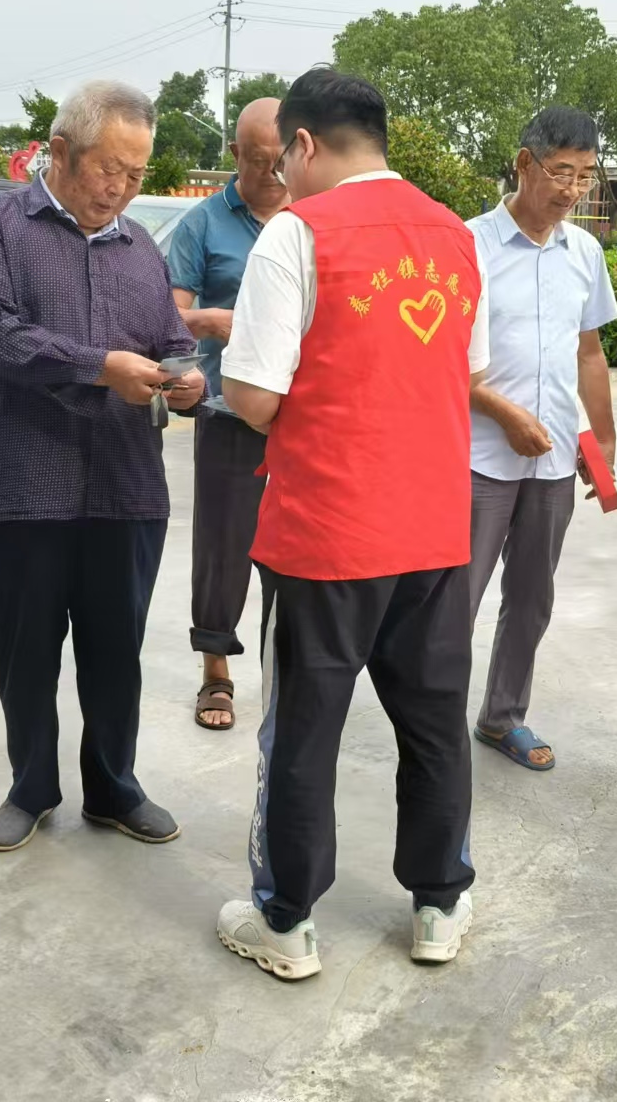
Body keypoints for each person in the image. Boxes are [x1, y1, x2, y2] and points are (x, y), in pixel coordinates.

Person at [213, 68, 489, 981]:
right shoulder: (455, 235)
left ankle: (286, 920)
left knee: (302, 731)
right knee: (435, 723)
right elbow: (465, 369)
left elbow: (255, 396)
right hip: (436, 528)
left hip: (326, 532)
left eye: (280, 160)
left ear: (301, 143)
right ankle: (439, 904)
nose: (280, 180)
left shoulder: (297, 232)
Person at [0, 80, 205, 856]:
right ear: (59, 151)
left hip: (124, 486)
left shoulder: (140, 248)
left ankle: (114, 785)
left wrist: (187, 379)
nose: (120, 188)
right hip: (21, 481)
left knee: (116, 653)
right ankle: (30, 786)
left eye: (136, 174)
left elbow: (168, 340)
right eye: (108, 169)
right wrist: (101, 367)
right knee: (25, 652)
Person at [465, 106, 617, 772]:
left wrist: (602, 440)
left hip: (553, 459)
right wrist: (502, 413)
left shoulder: (583, 252)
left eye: (585, 176)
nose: (573, 190)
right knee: (456, 598)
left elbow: (589, 352)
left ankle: (503, 716)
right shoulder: (468, 245)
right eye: (561, 172)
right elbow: (439, 356)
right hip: (478, 458)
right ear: (524, 163)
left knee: (531, 598)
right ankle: (433, 724)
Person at [168, 97, 289, 730]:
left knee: (293, 551)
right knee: (223, 547)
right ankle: (215, 671)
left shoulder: (311, 218)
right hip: (226, 410)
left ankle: (286, 671)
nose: (272, 173)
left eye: (282, 160)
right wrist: (209, 321)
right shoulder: (203, 224)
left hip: (298, 416)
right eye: (259, 160)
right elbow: (166, 317)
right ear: (236, 154)